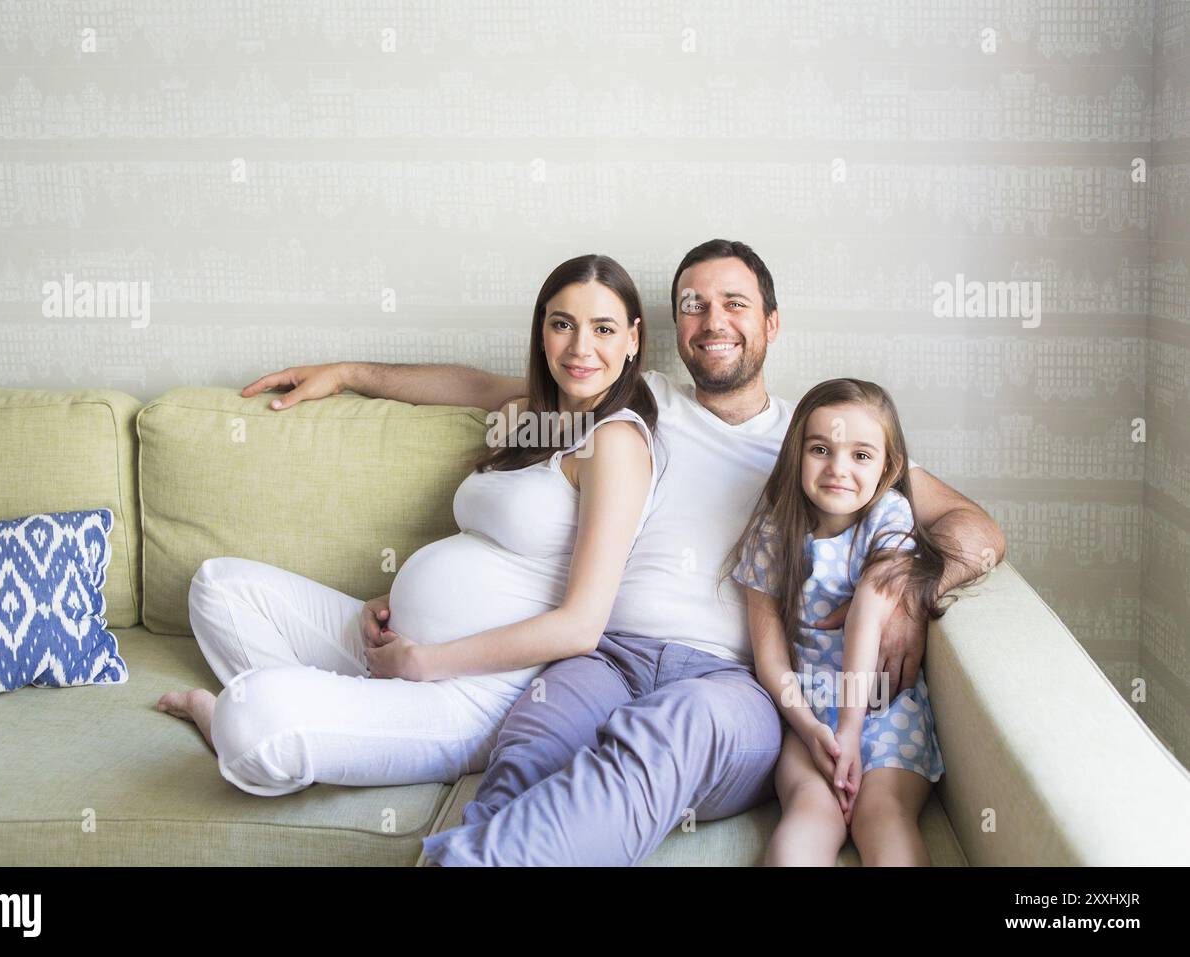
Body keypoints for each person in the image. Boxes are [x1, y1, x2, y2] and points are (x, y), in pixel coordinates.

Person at [247, 239, 1007, 864]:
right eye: (694, 305)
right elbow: (482, 386)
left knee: (663, 737)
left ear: (771, 324)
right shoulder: (638, 399)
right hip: (604, 658)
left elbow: (976, 527)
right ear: (672, 327)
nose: (713, 320)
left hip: (730, 684)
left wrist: (912, 584)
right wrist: (349, 372)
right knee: (533, 742)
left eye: (734, 304)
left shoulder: (820, 440)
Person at [155, 253, 660, 793]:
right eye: (563, 324)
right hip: (393, 644)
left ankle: (241, 724)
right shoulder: (534, 412)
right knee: (219, 586)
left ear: (632, 338)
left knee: (253, 718)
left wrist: (426, 661)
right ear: (542, 333)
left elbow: (581, 626)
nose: (581, 348)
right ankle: (327, 724)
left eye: (602, 328)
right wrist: (346, 374)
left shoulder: (615, 443)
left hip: (466, 693)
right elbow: (465, 384)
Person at [731, 378, 972, 866]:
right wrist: (814, 728)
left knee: (880, 814)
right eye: (821, 449)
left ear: (890, 466)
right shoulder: (773, 529)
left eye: (861, 455)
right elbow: (770, 656)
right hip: (808, 711)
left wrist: (850, 728)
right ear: (796, 455)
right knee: (808, 813)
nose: (838, 469)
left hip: (884, 707)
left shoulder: (890, 514)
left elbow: (866, 612)